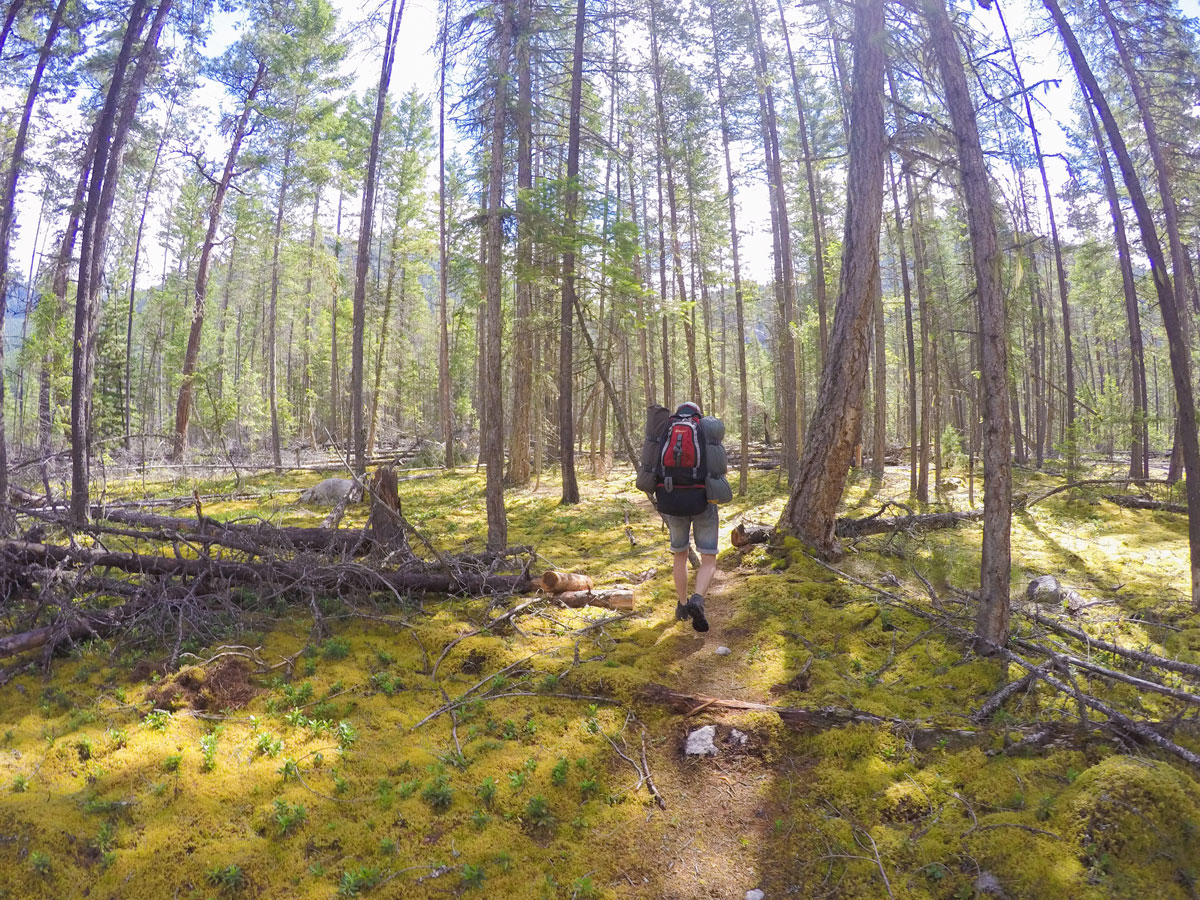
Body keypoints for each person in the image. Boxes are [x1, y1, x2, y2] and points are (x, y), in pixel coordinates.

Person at [636, 401, 732, 633]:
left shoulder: (665, 428)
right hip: (703, 499)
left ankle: (681, 604)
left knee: (680, 554)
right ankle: (698, 599)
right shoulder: (706, 429)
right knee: (708, 556)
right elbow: (719, 467)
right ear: (698, 413)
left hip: (671, 498)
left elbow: (651, 463)